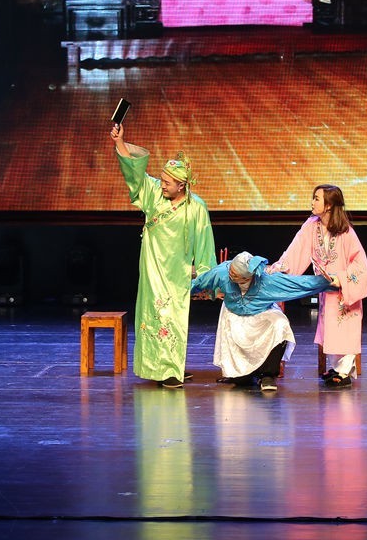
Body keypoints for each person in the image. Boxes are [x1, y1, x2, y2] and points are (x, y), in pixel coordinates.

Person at [111, 122, 215, 388]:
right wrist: (120, 142)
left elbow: (205, 244)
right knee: (152, 317)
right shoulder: (154, 195)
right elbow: (135, 175)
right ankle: (163, 369)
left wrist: (206, 277)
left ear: (182, 186)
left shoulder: (196, 208)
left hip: (177, 272)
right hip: (152, 270)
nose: (162, 185)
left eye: (168, 183)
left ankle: (172, 367)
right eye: (162, 180)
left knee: (174, 318)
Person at [265, 184, 367, 389]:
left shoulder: (346, 232)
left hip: (344, 289)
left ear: (328, 205)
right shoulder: (311, 226)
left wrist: (341, 279)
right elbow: (295, 251)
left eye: (316, 198)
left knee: (345, 326)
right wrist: (277, 270)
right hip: (325, 288)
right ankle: (336, 368)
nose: (312, 202)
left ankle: (344, 371)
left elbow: (360, 265)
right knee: (330, 328)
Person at [191, 251, 334, 391]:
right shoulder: (222, 272)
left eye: (235, 274)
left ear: (249, 277)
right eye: (231, 271)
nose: (231, 274)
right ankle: (241, 375)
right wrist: (182, 292)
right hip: (234, 316)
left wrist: (329, 282)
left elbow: (298, 283)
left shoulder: (266, 281)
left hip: (262, 313)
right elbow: (199, 283)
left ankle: (268, 375)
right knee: (241, 382)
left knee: (280, 324)